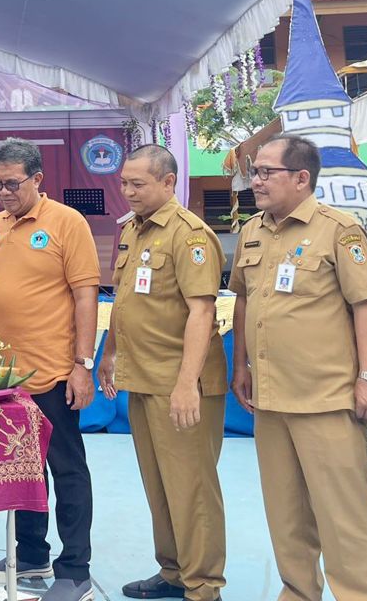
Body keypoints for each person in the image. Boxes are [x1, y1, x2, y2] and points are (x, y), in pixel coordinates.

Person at [229, 134, 367, 601]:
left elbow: (366, 304)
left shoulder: (338, 230)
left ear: (302, 178)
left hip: (325, 397)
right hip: (271, 398)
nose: (254, 181)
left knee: (345, 516)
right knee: (286, 513)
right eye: (254, 172)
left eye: (265, 172)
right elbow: (242, 298)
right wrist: (240, 364)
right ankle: (298, 592)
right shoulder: (252, 231)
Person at [101, 145, 226, 601]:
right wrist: (110, 351)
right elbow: (126, 299)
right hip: (143, 377)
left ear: (169, 183)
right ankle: (173, 571)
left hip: (178, 382)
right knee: (159, 486)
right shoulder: (135, 231)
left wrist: (187, 385)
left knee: (191, 488)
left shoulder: (189, 235)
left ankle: (203, 586)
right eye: (124, 183)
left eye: (138, 184)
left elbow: (201, 312)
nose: (128, 192)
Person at [0, 137, 98, 601]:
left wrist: (82, 364)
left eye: (13, 184)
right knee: (21, 471)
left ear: (38, 179)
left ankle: (75, 569)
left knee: (66, 468)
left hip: (53, 372)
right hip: (6, 379)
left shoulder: (68, 223)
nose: (5, 193)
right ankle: (30, 554)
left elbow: (87, 294)